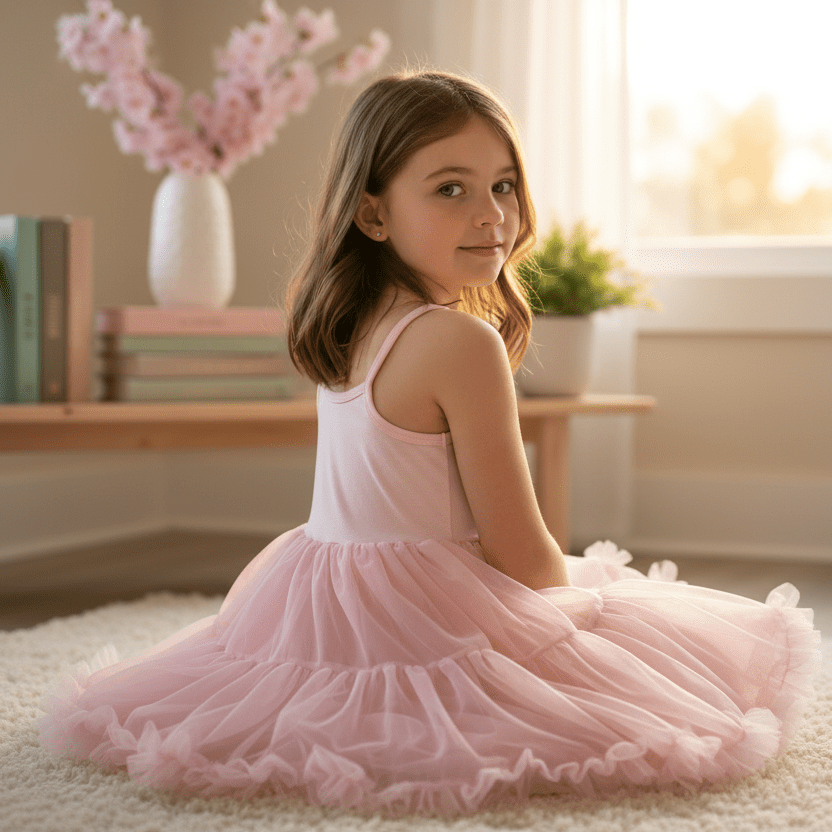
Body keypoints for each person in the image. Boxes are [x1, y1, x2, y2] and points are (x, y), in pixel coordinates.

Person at [39, 69, 821, 817]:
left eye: (503, 185)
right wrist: (585, 622)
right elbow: (519, 549)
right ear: (374, 213)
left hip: (319, 593)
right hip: (423, 601)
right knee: (623, 625)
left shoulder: (351, 328)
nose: (492, 215)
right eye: (452, 188)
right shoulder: (457, 341)